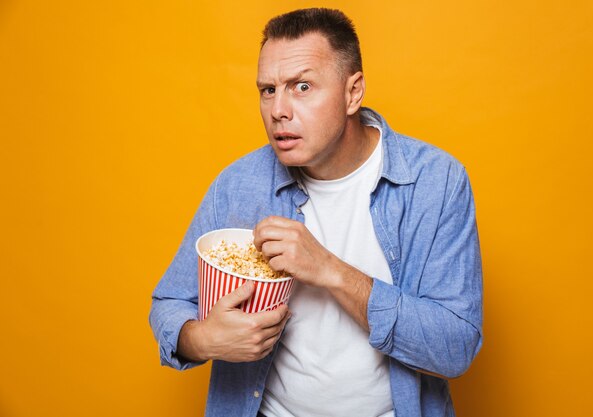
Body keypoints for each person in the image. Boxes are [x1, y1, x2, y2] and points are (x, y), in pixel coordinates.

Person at [149, 7, 483, 417]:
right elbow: (168, 302)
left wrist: (330, 270)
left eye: (302, 86)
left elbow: (456, 347)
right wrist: (202, 339)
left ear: (352, 92)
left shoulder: (436, 183)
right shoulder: (238, 185)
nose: (278, 111)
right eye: (268, 89)